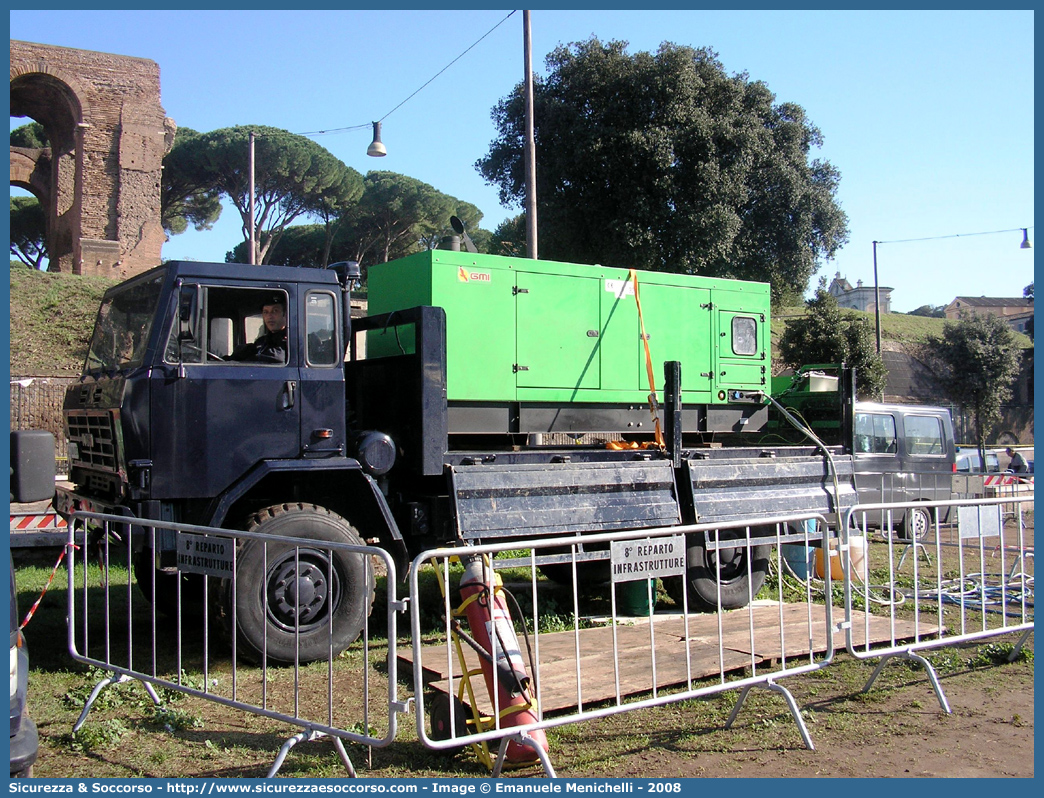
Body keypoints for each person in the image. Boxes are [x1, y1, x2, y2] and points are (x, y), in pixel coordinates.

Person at [229, 294, 288, 363]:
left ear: (285, 314)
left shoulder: (290, 341)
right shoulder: (262, 341)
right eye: (265, 312)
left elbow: (277, 358)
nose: (269, 316)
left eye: (275, 311)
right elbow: (244, 353)